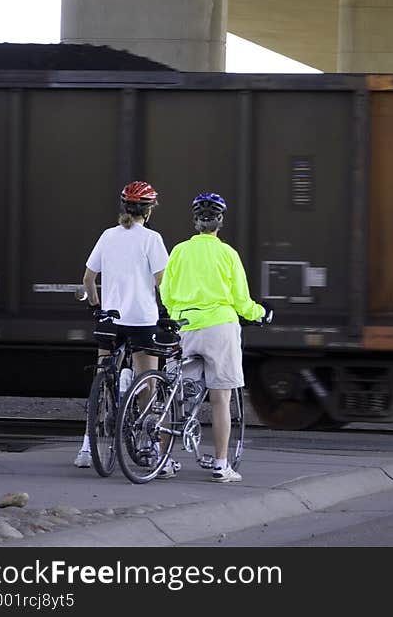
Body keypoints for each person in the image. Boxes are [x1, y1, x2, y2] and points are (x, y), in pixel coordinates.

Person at [159, 192, 270, 483]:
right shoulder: (228, 254)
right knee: (221, 398)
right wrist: (260, 314)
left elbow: (166, 293)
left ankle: (164, 460)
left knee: (174, 395)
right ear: (219, 222)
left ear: (194, 222)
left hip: (185, 326)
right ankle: (221, 465)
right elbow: (241, 300)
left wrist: (178, 311)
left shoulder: (179, 251)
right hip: (220, 328)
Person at [77, 181, 173, 473]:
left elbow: (88, 279)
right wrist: (168, 311)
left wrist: (96, 305)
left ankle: (85, 447)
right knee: (148, 381)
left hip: (110, 320)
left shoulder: (108, 236)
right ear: (149, 210)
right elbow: (162, 282)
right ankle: (150, 444)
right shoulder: (152, 239)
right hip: (142, 321)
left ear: (125, 208)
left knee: (101, 380)